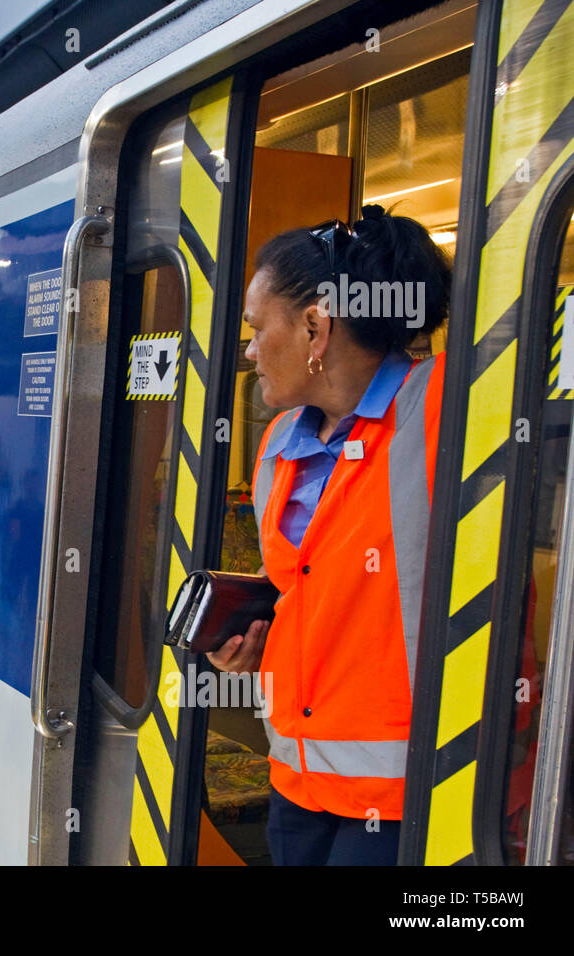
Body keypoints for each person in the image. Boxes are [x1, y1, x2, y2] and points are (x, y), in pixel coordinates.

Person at [209, 204, 451, 866]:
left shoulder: (439, 412)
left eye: (259, 329)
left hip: (409, 792)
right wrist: (254, 645)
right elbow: (312, 594)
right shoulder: (279, 448)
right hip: (298, 780)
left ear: (317, 326)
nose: (250, 350)